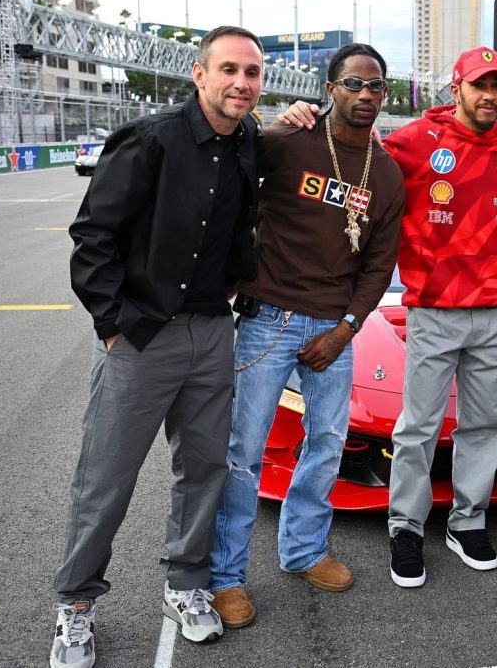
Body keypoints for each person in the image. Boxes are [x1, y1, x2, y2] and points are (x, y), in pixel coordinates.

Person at [53, 26, 264, 668]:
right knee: (106, 479)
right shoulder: (149, 140)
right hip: (141, 335)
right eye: (228, 69)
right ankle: (76, 607)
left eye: (252, 73)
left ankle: (186, 586)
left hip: (210, 330)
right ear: (199, 75)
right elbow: (93, 236)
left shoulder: (251, 140)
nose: (241, 83)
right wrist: (113, 323)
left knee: (203, 471)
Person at [281, 48, 497, 588]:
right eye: (479, 85)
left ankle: (467, 522)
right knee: (418, 427)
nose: (489, 95)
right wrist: (301, 119)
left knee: (488, 424)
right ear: (456, 89)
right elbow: (342, 151)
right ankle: (407, 527)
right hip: (434, 307)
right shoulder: (415, 141)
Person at [208, 43, 405, 628]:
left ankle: (303, 551)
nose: (366, 95)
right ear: (330, 88)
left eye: (376, 87)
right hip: (268, 317)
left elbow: (377, 266)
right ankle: (225, 577)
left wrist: (345, 330)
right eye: (353, 84)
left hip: (333, 328)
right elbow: (227, 175)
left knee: (325, 446)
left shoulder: (387, 173)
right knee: (243, 453)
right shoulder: (287, 141)